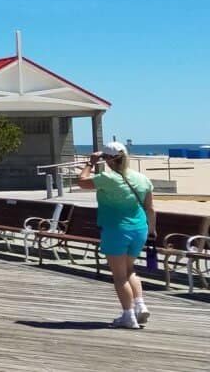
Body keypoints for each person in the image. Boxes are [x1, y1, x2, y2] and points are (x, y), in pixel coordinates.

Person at [77, 141, 156, 329]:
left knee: (120, 276)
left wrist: (90, 163)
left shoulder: (108, 178)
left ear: (108, 159)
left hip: (116, 230)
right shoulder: (142, 179)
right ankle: (140, 305)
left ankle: (128, 316)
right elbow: (150, 208)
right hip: (139, 229)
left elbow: (81, 182)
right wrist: (152, 229)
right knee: (130, 270)